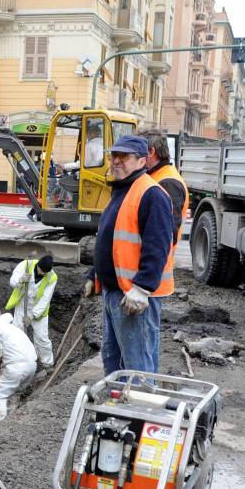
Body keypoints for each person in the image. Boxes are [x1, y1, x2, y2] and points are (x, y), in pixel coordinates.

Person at [82, 135, 175, 374]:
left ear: (142, 161)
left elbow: (159, 246)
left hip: (133, 296)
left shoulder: (151, 194)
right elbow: (110, 240)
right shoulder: (121, 191)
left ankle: (139, 406)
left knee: (137, 364)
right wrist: (95, 273)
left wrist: (142, 288)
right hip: (115, 292)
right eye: (113, 156)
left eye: (124, 157)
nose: (116, 161)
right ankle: (117, 407)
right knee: (113, 359)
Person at [0, 307, 38, 422]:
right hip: (32, 366)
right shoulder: (12, 327)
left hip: (16, 367)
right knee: (15, 393)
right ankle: (12, 421)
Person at [5, 254, 56, 367]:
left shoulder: (52, 277)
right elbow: (12, 282)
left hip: (39, 311)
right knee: (17, 333)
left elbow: (45, 299)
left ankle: (47, 363)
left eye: (45, 272)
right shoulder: (25, 265)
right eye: (42, 271)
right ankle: (18, 360)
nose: (43, 274)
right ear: (38, 265)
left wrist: (33, 315)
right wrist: (21, 279)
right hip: (23, 305)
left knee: (41, 338)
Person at [140, 131, 189, 249]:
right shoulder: (157, 176)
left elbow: (165, 234)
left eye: (138, 152)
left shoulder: (168, 183)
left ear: (151, 152)